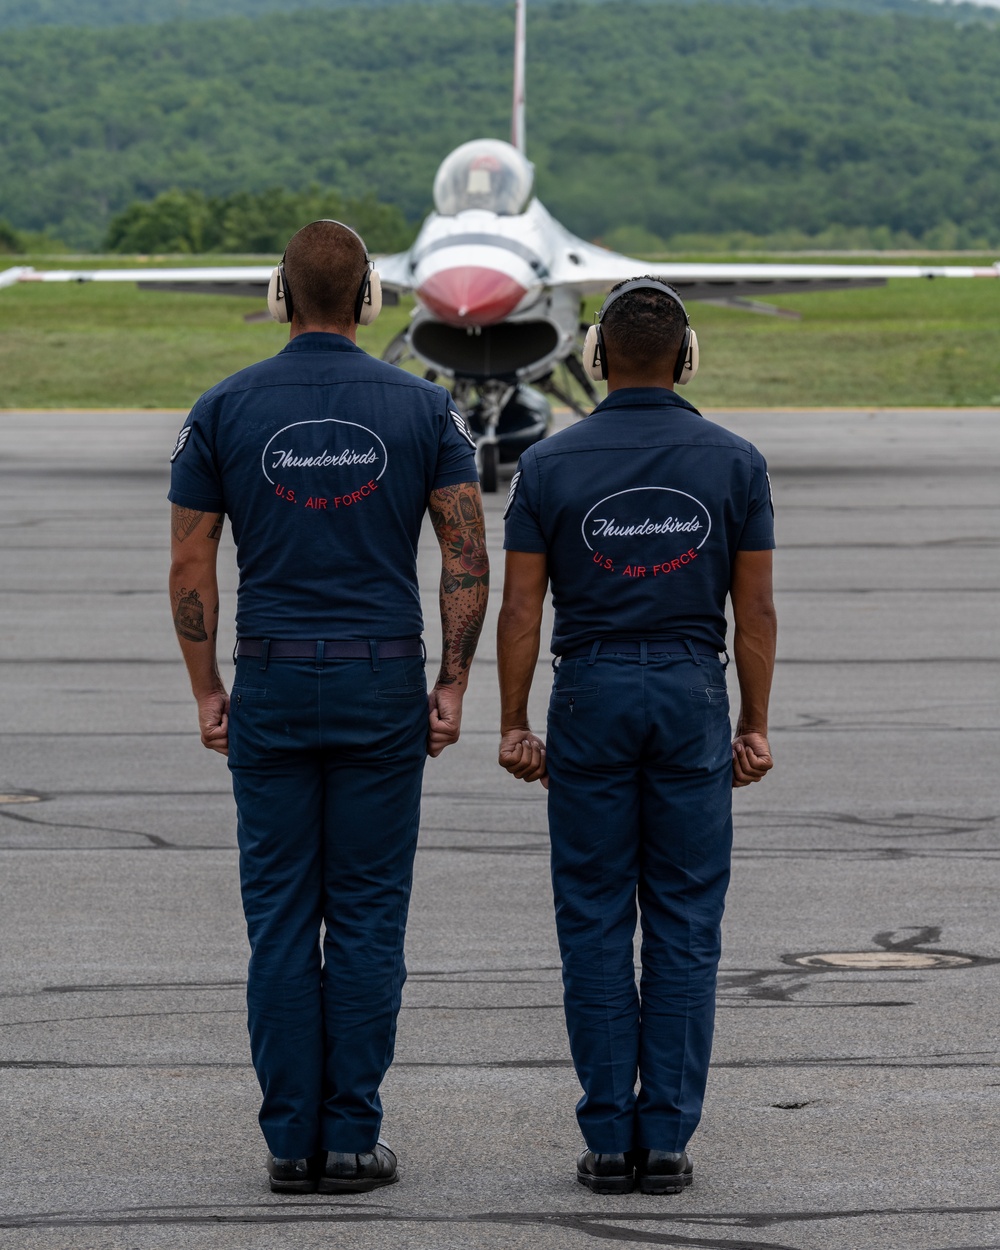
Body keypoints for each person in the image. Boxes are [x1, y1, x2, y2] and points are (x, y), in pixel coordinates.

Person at [168, 220, 487, 1195]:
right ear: (369, 299)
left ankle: (287, 1139)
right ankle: (350, 1135)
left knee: (278, 917)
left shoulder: (221, 407)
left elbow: (191, 566)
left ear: (279, 295)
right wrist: (453, 684)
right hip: (381, 678)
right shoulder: (425, 409)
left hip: (267, 674)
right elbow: (466, 560)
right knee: (364, 916)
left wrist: (207, 689)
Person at [497, 278, 776, 1195]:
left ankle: (608, 1133)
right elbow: (756, 612)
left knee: (594, 917)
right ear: (688, 357)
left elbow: (522, 610)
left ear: (596, 358)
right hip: (693, 693)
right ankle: (666, 1141)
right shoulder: (736, 462)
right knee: (687, 921)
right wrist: (755, 724)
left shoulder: (547, 465)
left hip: (592, 691)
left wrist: (513, 722)